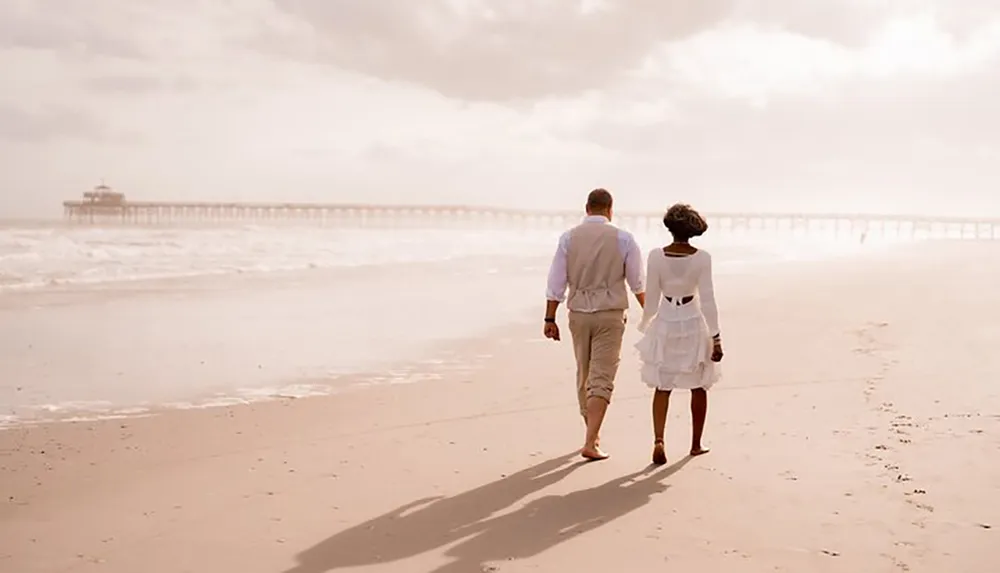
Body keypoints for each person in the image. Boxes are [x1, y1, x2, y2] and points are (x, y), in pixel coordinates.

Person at [544, 188, 646, 461]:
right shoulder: (624, 238)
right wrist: (651, 314)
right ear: (610, 210)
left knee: (584, 374)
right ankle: (591, 440)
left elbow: (556, 282)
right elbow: (637, 283)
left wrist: (549, 318)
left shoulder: (569, 238)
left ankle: (592, 434)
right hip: (610, 314)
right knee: (602, 377)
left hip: (578, 314)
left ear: (587, 208)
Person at [635, 203, 723, 465]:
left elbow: (651, 301)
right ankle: (696, 444)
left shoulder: (655, 256)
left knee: (663, 386)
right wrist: (716, 337)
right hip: (692, 321)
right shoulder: (702, 258)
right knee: (699, 385)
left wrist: (645, 324)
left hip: (665, 321)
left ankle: (659, 439)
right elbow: (708, 299)